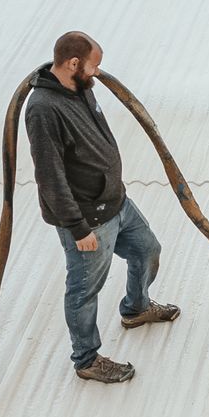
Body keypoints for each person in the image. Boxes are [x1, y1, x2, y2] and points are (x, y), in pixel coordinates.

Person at [25, 31, 181, 383]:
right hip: (87, 220)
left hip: (117, 203)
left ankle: (136, 309)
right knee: (83, 291)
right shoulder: (43, 110)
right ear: (73, 63)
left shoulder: (80, 89)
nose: (98, 72)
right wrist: (78, 229)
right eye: (94, 65)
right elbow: (49, 176)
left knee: (147, 250)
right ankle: (86, 359)